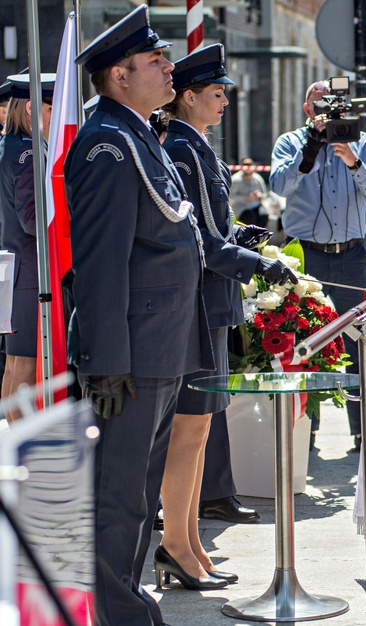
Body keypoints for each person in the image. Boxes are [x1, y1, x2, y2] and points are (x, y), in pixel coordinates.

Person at [66, 6, 214, 624]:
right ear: (119, 76)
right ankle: (117, 612)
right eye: (155, 61)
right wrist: (105, 362)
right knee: (118, 496)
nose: (169, 67)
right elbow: (101, 262)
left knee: (136, 496)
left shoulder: (137, 135)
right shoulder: (109, 143)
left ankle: (127, 598)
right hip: (129, 352)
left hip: (157, 346)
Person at [159, 44, 296, 590]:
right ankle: (176, 545)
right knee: (189, 431)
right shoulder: (183, 150)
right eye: (215, 95)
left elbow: (215, 229)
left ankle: (188, 543)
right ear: (188, 97)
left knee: (201, 427)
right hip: (195, 302)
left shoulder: (199, 148)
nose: (223, 104)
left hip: (211, 301)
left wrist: (244, 237)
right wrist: (256, 262)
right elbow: (201, 244)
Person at [270, 79, 366, 452]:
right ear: (307, 110)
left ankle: (361, 429)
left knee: (358, 344)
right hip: (308, 257)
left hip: (352, 256)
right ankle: (310, 430)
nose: (325, 112)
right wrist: (311, 148)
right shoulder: (290, 142)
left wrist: (352, 160)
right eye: (318, 105)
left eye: (333, 105)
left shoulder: (363, 143)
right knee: (308, 343)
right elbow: (279, 186)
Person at [0, 72, 54, 422]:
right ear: (33, 108)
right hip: (30, 273)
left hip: (15, 268)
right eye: (52, 108)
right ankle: (21, 455)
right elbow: (34, 219)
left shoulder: (11, 147)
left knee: (16, 365)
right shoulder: (29, 153)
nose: (56, 116)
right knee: (25, 368)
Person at [230, 157, 268, 227]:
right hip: (241, 207)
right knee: (250, 217)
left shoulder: (257, 178)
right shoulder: (235, 180)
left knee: (264, 215)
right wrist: (245, 198)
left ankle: (260, 236)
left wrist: (259, 195)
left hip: (255, 205)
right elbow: (231, 196)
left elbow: (265, 194)